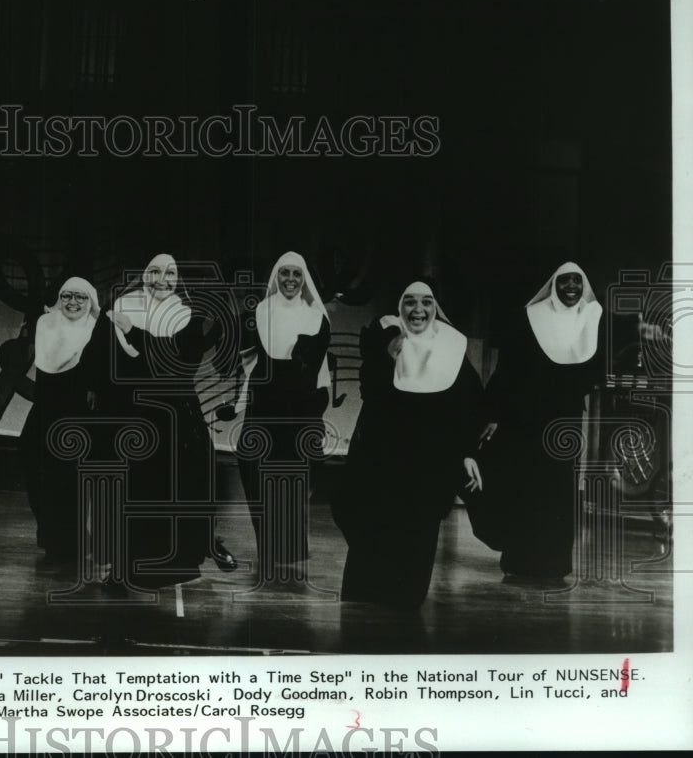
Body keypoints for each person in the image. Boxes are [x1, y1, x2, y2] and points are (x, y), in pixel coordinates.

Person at [332, 281, 484, 611]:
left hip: (429, 461)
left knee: (419, 530)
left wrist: (468, 452)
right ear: (400, 307)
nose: (418, 310)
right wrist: (386, 356)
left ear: (435, 307)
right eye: (410, 302)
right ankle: (366, 596)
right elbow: (371, 391)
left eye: (426, 302)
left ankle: (404, 600)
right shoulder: (384, 338)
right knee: (374, 524)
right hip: (383, 456)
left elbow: (469, 404)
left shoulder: (451, 345)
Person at [91, 253, 226, 590]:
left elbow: (178, 364)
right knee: (136, 494)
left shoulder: (187, 316)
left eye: (170, 273)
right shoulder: (123, 306)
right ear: (144, 274)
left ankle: (184, 558)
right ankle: (126, 569)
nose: (162, 279)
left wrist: (134, 333)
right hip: (134, 415)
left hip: (176, 417)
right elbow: (106, 364)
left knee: (181, 488)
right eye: (154, 271)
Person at [471, 261, 603, 580]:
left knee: (558, 491)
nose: (570, 286)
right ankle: (519, 559)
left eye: (576, 280)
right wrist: (494, 413)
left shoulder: (593, 318)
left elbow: (596, 370)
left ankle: (554, 563)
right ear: (552, 285)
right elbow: (507, 371)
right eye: (563, 280)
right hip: (524, 418)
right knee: (524, 488)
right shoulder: (531, 318)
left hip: (564, 420)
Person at [234, 251, 331, 572]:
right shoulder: (260, 311)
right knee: (252, 467)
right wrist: (240, 401)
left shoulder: (317, 318)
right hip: (262, 404)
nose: (290, 279)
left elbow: (316, 371)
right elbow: (250, 363)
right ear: (276, 276)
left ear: (305, 280)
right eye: (284, 273)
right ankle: (267, 542)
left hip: (299, 406)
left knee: (290, 479)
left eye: (297, 274)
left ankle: (285, 549)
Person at [20, 276, 100, 565]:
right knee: (32, 465)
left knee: (69, 480)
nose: (73, 302)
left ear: (90, 300)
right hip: (45, 410)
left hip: (79, 414)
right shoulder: (46, 323)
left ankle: (72, 542)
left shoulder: (97, 329)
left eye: (80, 297)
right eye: (67, 296)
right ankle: (51, 534)